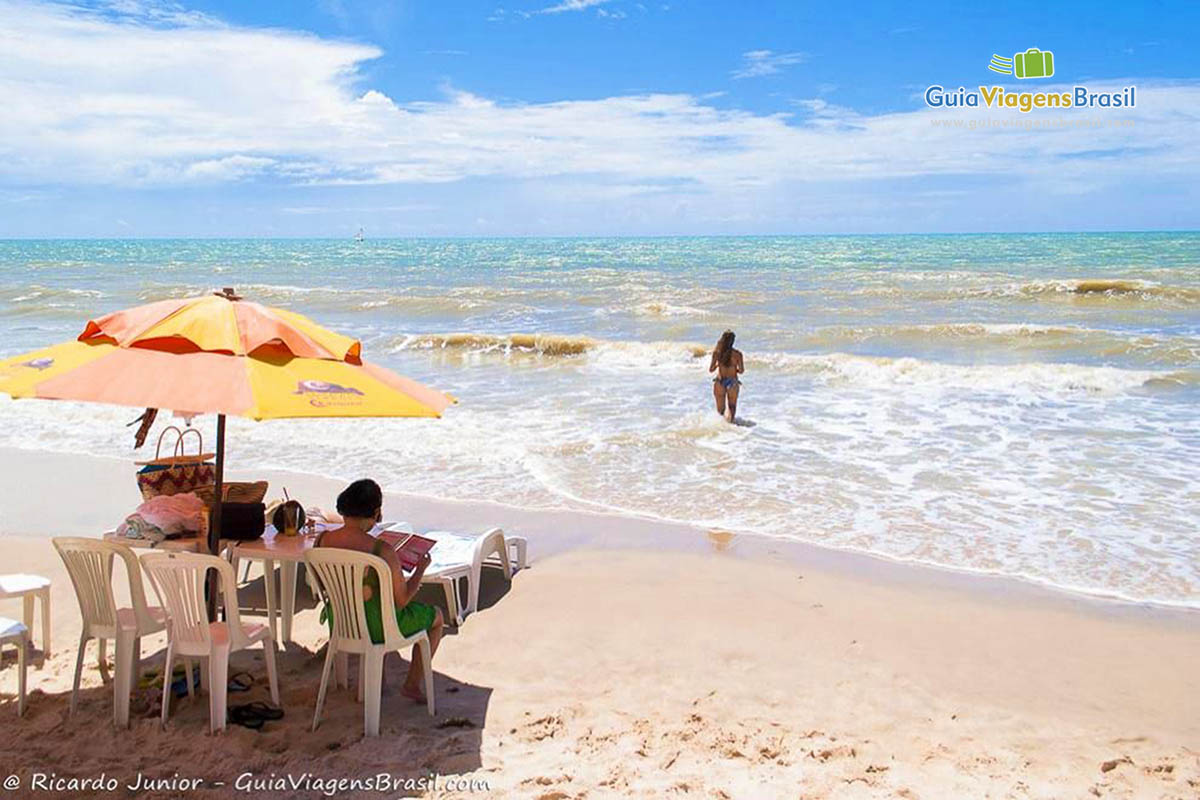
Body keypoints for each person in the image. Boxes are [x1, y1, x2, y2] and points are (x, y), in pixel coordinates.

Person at [315, 479, 444, 702]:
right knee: (437, 617)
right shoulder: (381, 550)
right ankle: (412, 684)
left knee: (376, 606)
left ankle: (379, 683)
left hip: (341, 623)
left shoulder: (322, 541)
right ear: (376, 512)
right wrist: (419, 572)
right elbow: (402, 600)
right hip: (377, 628)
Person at [709, 330, 744, 422]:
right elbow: (741, 371)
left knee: (720, 412)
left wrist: (718, 365)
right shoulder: (738, 354)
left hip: (720, 382)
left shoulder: (717, 353)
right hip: (732, 382)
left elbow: (711, 369)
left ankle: (723, 430)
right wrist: (734, 369)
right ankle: (731, 428)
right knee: (732, 408)